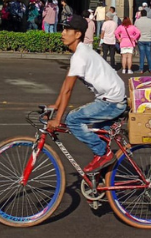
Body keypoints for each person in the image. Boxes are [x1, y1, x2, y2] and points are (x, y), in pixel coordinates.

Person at [46, 15, 128, 175]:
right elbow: (65, 85)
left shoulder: (79, 56)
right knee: (98, 137)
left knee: (72, 120)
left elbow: (69, 91)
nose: (62, 33)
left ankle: (103, 154)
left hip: (111, 101)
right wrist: (56, 105)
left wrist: (58, 119)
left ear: (77, 34)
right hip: (112, 97)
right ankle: (103, 179)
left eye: (67, 30)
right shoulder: (81, 52)